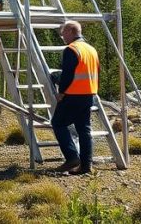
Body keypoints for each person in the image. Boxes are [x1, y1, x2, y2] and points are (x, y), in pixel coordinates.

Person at [51, 20, 100, 175]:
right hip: (89, 93)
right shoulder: (91, 49)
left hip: (73, 94)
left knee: (58, 123)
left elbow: (68, 74)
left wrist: (61, 92)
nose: (62, 36)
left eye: (63, 33)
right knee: (83, 129)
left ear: (71, 31)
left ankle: (72, 157)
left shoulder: (72, 49)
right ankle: (86, 166)